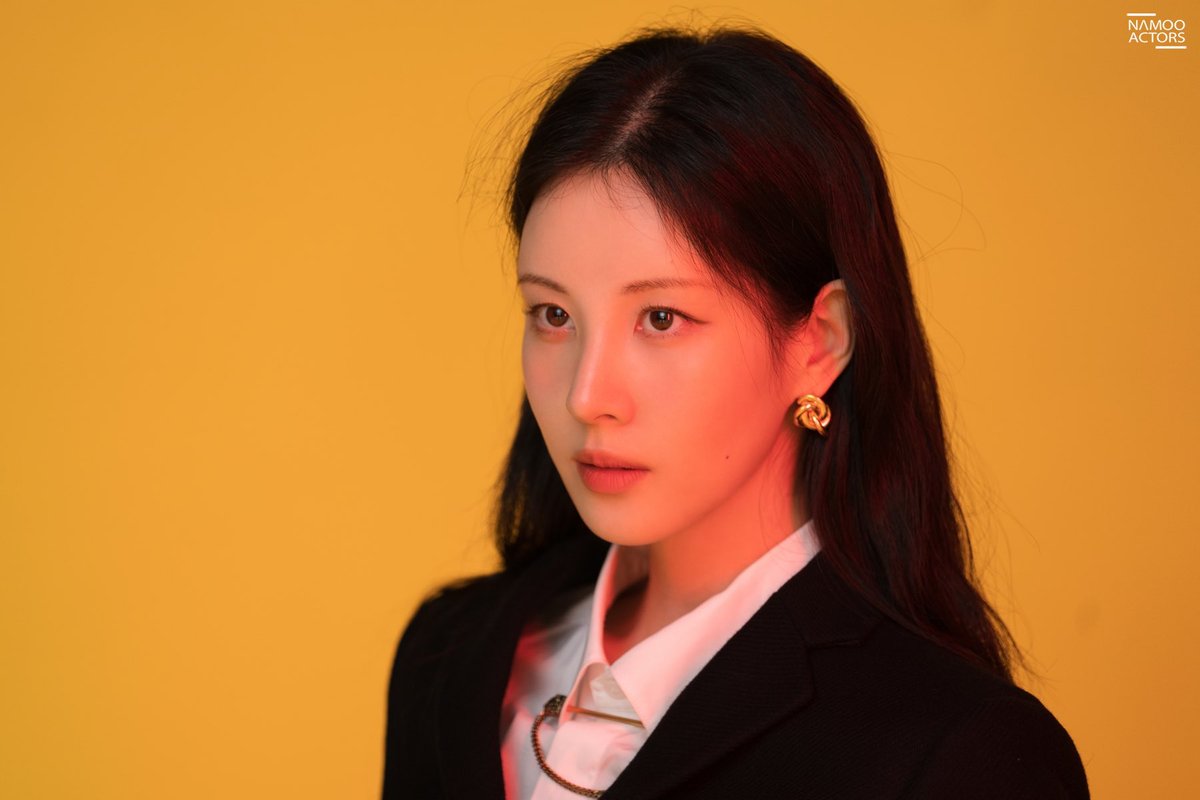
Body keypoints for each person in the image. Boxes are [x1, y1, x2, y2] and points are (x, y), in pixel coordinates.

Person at [381, 23, 1089, 800]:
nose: (587, 396)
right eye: (554, 315)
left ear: (820, 341)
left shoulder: (958, 753)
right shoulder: (450, 660)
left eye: (661, 319)